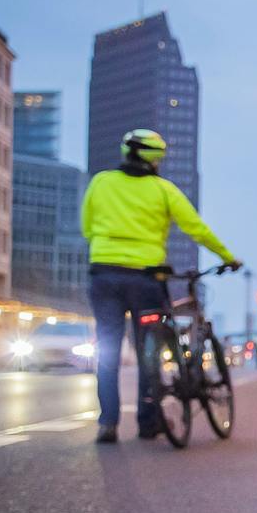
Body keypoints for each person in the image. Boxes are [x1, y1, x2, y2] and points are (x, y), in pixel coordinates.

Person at [80, 128, 240, 444]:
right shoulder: (163, 190)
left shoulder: (100, 182)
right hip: (146, 279)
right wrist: (228, 257)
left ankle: (108, 423)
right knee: (147, 352)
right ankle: (147, 420)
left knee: (108, 350)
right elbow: (196, 228)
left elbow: (86, 226)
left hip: (104, 276)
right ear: (157, 160)